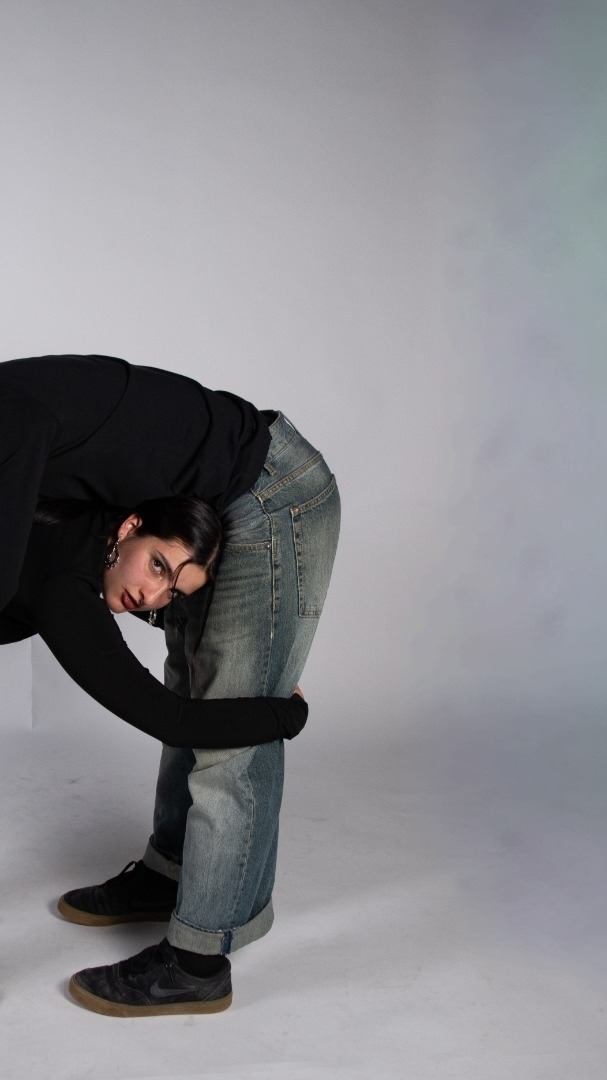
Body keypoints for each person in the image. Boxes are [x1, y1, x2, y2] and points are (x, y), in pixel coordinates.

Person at [0, 354, 340, 1016]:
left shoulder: (8, 417)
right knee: (192, 680)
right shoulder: (62, 517)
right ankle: (169, 875)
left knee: (229, 719)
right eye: (157, 574)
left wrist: (282, 715)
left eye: (165, 581)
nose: (154, 599)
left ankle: (198, 962)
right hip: (216, 500)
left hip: (271, 492)